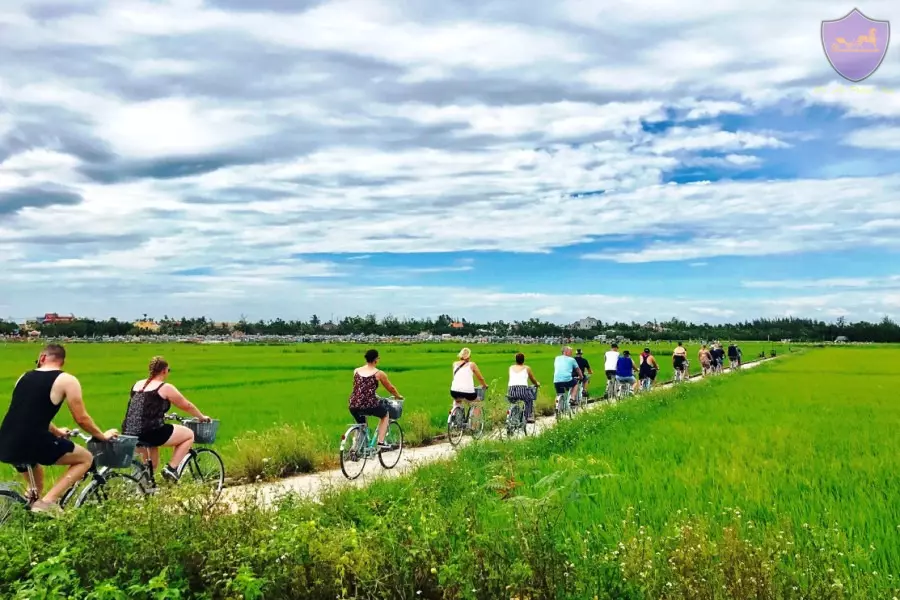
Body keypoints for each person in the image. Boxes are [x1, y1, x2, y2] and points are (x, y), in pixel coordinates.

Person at [0, 344, 118, 513]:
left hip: (6, 440)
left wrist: (57, 432)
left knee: (36, 486)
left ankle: (23, 516)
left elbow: (29, 413)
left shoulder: (23, 377)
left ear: (42, 358)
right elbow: (81, 418)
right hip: (33, 441)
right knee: (86, 458)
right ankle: (48, 503)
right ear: (63, 361)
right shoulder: (67, 380)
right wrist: (102, 436)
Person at [122, 356, 212, 481]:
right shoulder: (165, 387)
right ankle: (171, 468)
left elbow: (141, 408)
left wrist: (160, 415)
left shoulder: (137, 384)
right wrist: (201, 417)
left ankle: (145, 491)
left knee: (149, 467)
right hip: (151, 432)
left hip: (130, 431)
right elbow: (186, 405)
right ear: (164, 371)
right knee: (189, 435)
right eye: (168, 370)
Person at [348, 349, 403, 448]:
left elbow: (360, 388)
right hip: (369, 404)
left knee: (361, 425)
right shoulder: (379, 373)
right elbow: (391, 388)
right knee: (385, 415)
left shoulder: (356, 371)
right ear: (376, 360)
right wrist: (398, 396)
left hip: (353, 404)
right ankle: (381, 442)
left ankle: (355, 449)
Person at [451, 347, 488, 412]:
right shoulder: (472, 364)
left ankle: (454, 414)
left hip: (454, 391)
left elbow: (457, 377)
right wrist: (484, 385)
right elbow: (480, 378)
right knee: (478, 404)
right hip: (468, 393)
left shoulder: (454, 364)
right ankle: (475, 422)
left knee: (457, 401)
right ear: (469, 356)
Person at [507, 353, 540, 423]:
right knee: (529, 398)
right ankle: (528, 416)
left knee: (514, 402)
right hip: (522, 390)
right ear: (523, 360)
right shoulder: (527, 368)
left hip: (511, 390)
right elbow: (532, 379)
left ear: (515, 360)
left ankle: (513, 415)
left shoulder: (511, 367)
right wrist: (537, 384)